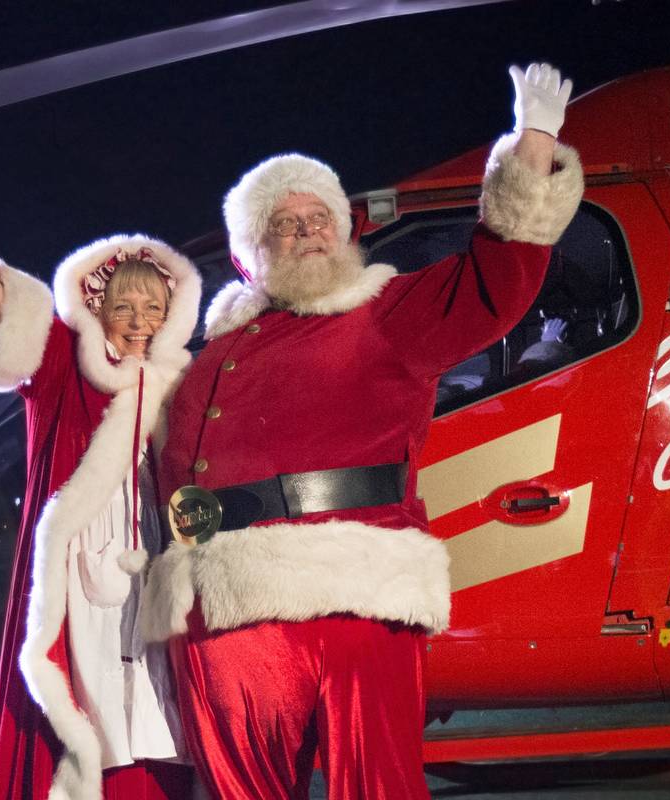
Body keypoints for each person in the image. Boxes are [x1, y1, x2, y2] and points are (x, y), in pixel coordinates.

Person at [140, 63, 582, 798]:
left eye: (321, 220)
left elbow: (498, 277)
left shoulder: (386, 312)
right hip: (222, 609)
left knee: (376, 787)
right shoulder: (213, 352)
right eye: (286, 225)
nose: (309, 234)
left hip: (351, 598)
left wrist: (532, 139)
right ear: (252, 253)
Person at [0, 130, 201, 800]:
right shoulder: (60, 373)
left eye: (153, 307)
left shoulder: (191, 392)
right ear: (96, 309)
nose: (138, 319)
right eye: (123, 305)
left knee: (162, 750)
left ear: (173, 316)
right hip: (73, 598)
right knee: (74, 751)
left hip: (158, 598)